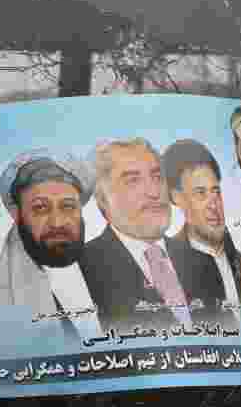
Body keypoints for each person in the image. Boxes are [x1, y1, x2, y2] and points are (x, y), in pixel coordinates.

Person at [80, 138, 230, 333]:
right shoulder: (82, 270)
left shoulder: (203, 263)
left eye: (157, 177)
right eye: (133, 180)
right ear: (103, 201)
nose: (154, 192)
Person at [0, 149, 103, 341]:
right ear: (18, 216)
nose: (57, 222)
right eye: (40, 208)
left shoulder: (107, 264)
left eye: (67, 206)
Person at [163, 139, 241, 313]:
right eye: (201, 193)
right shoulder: (167, 270)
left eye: (216, 191)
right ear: (177, 198)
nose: (214, 204)